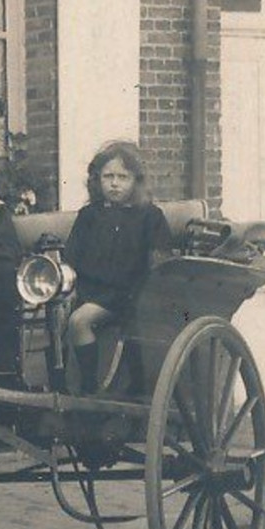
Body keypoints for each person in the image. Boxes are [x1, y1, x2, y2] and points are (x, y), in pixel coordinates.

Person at [63, 141, 173, 395]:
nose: (114, 183)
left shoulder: (150, 216)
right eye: (108, 176)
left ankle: (89, 388)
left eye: (122, 177)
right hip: (90, 292)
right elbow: (71, 259)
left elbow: (159, 263)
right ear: (97, 180)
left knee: (80, 321)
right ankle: (67, 387)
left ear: (136, 180)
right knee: (60, 319)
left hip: (130, 295)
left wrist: (146, 294)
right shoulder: (88, 215)